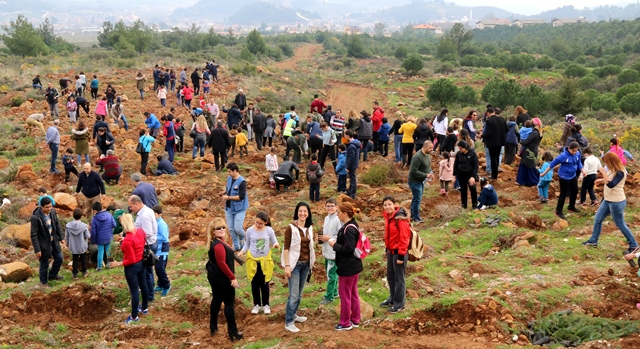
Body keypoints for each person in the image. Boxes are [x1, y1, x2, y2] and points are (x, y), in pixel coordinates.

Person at [583, 153, 639, 255]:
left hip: (616, 202)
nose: (606, 165)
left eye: (607, 163)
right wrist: (601, 179)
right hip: (607, 200)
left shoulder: (620, 172)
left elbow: (612, 184)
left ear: (612, 161)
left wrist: (603, 172)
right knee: (598, 219)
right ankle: (593, 240)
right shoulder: (613, 169)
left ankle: (634, 245)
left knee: (620, 224)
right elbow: (609, 179)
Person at [206, 218, 243, 341]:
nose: (221, 230)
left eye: (223, 227)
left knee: (216, 299)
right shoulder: (218, 246)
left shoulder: (217, 242)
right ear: (213, 231)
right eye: (218, 228)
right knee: (229, 304)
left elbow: (227, 255)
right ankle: (233, 332)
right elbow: (222, 263)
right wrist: (232, 278)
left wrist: (237, 258)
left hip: (214, 276)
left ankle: (213, 326)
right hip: (222, 278)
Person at [328, 202, 363, 330]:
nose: (337, 215)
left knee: (345, 295)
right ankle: (355, 319)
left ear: (345, 213)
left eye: (339, 212)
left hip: (347, 267)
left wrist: (334, 246)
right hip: (354, 266)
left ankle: (345, 322)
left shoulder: (349, 228)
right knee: (353, 293)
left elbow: (348, 249)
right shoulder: (352, 225)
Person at [110, 214, 150, 324]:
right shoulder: (141, 231)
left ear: (123, 224)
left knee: (134, 291)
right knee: (144, 285)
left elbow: (131, 259)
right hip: (142, 262)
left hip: (132, 267)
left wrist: (118, 263)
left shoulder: (128, 240)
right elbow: (139, 240)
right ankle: (144, 308)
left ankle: (134, 316)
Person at [282, 202, 315, 333]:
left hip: (306, 265)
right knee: (294, 295)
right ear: (297, 213)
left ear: (308, 213)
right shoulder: (291, 227)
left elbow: (311, 247)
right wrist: (287, 266)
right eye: (300, 211)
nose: (302, 213)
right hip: (294, 265)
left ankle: (294, 314)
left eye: (305, 211)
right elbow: (286, 248)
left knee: (300, 294)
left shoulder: (309, 228)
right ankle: (288, 321)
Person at [237, 211, 279, 315]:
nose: (258, 225)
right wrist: (242, 252)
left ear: (265, 222)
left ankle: (266, 305)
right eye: (256, 222)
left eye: (260, 223)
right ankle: (256, 305)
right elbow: (247, 244)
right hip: (253, 261)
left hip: (264, 261)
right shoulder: (250, 231)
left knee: (265, 284)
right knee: (254, 284)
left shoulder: (269, 230)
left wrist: (276, 245)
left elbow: (274, 241)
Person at [540, 142, 586, 220]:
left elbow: (579, 163)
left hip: (573, 175)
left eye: (576, 150)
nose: (574, 152)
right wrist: (544, 173)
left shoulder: (577, 153)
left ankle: (571, 207)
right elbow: (552, 165)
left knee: (575, 191)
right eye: (573, 151)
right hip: (564, 177)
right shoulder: (563, 156)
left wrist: (583, 170)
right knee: (563, 194)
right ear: (569, 149)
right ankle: (558, 211)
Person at [380, 196, 411, 313]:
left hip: (399, 253)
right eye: (385, 205)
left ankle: (399, 304)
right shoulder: (388, 217)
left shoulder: (400, 218)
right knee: (390, 276)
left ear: (394, 204)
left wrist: (401, 256)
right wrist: (387, 248)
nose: (387, 207)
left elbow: (404, 238)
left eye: (389, 204)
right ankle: (392, 299)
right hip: (391, 251)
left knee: (399, 279)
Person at [127, 194, 158, 302]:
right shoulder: (145, 211)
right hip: (148, 243)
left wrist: (134, 238)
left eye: (131, 206)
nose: (130, 209)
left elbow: (148, 233)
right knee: (148, 272)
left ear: (137, 203)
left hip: (147, 245)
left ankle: (149, 296)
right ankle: (149, 293)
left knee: (147, 273)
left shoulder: (144, 215)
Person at [30, 197, 65, 286]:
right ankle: (43, 283)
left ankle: (52, 275)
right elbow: (34, 234)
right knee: (44, 263)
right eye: (47, 207)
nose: (49, 209)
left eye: (50, 206)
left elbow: (57, 225)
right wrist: (37, 250)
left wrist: (61, 238)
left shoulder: (52, 212)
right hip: (43, 244)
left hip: (53, 241)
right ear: (41, 206)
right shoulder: (35, 217)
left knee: (59, 258)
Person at [318, 198, 340, 305]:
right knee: (331, 273)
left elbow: (340, 235)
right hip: (326, 250)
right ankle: (335, 292)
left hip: (333, 252)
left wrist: (328, 238)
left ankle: (329, 296)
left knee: (331, 275)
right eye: (328, 206)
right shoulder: (327, 218)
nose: (330, 208)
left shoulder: (338, 219)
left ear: (337, 207)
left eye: (332, 206)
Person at [221, 163, 248, 251]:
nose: (228, 173)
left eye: (229, 171)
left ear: (235, 171)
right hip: (229, 208)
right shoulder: (229, 178)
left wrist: (228, 197)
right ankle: (236, 246)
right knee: (231, 229)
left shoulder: (242, 182)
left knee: (237, 228)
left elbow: (241, 196)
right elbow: (228, 188)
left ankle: (244, 239)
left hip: (239, 209)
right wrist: (224, 192)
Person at [407, 141, 434, 223]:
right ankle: (416, 217)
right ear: (424, 147)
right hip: (414, 181)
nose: (431, 149)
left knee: (416, 198)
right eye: (430, 148)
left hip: (421, 181)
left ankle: (412, 214)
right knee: (418, 199)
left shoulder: (428, 155)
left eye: (432, 148)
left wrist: (430, 173)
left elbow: (428, 166)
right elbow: (413, 171)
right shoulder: (417, 157)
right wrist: (425, 175)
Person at [482, 107, 508, 180]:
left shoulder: (489, 121)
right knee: (497, 157)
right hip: (500, 142)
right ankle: (495, 174)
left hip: (492, 143)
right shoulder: (502, 119)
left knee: (493, 158)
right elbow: (507, 129)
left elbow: (488, 133)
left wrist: (482, 135)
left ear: (488, 113)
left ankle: (494, 175)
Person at [516, 118, 543, 186]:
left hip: (529, 151)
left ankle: (528, 181)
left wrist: (520, 141)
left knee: (527, 166)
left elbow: (526, 141)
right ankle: (526, 181)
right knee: (530, 166)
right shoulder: (539, 132)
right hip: (533, 150)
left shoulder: (534, 133)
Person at [453, 141, 479, 209]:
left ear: (465, 147)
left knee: (472, 189)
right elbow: (455, 165)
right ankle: (464, 205)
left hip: (470, 175)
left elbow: (476, 165)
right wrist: (454, 176)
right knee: (463, 190)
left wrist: (473, 176)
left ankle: (475, 204)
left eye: (461, 148)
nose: (460, 150)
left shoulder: (472, 154)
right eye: (459, 148)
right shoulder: (459, 154)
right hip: (461, 175)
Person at [91, 202, 116, 271]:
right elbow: (114, 225)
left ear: (95, 210)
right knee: (108, 251)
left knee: (100, 252)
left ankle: (99, 267)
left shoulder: (94, 219)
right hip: (109, 237)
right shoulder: (109, 215)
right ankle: (109, 265)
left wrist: (93, 241)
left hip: (100, 239)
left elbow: (93, 232)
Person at [152, 206, 171, 296]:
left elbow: (164, 237)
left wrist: (153, 238)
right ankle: (160, 284)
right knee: (157, 267)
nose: (153, 216)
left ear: (160, 214)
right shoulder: (155, 222)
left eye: (155, 214)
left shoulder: (162, 224)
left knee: (160, 268)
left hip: (162, 249)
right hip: (158, 248)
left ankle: (166, 285)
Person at [66, 208, 90, 279]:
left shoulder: (68, 226)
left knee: (75, 259)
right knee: (83, 258)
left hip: (73, 246)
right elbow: (87, 236)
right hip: (82, 245)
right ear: (81, 216)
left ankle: (75, 274)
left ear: (73, 216)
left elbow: (66, 236)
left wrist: (68, 244)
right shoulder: (84, 226)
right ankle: (84, 272)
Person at [343, 130, 361, 199]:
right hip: (355, 163)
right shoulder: (356, 143)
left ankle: (352, 194)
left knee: (353, 179)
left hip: (352, 165)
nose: (344, 137)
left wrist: (348, 167)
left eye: (345, 135)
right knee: (352, 178)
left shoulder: (351, 146)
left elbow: (351, 158)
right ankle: (350, 191)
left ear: (348, 136)